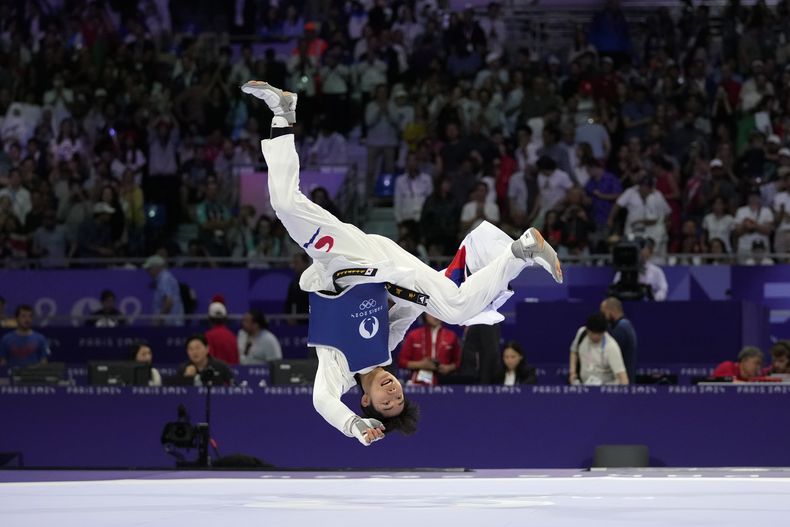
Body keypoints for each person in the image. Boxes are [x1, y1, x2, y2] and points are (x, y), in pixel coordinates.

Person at [241, 80, 562, 445]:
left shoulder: (338, 368)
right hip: (385, 269)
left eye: (386, 402)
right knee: (455, 309)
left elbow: (321, 401)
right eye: (399, 398)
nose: (393, 392)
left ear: (366, 401)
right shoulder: (387, 347)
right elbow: (410, 308)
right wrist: (443, 287)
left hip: (339, 261)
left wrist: (352, 426)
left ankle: (282, 112)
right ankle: (520, 251)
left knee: (284, 205)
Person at [397, 314, 462, 385]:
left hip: (445, 381)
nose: (435, 316)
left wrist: (448, 368)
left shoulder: (451, 336)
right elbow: (402, 361)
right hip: (418, 382)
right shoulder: (413, 335)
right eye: (432, 313)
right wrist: (421, 364)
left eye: (438, 313)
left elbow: (458, 362)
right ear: (425, 315)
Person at [569, 312, 628, 385]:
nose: (595, 337)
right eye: (592, 333)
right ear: (587, 330)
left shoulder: (611, 347)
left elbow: (623, 379)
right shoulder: (581, 333)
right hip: (583, 386)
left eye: (599, 334)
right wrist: (572, 373)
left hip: (603, 391)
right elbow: (574, 352)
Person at [600, 297, 638, 384]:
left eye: (603, 313)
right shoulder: (626, 325)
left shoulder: (621, 328)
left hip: (622, 382)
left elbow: (611, 356)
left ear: (611, 310)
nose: (603, 316)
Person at [0, 305, 50, 369]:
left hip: (33, 376)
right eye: (23, 316)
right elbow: (3, 361)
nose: (27, 319)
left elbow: (43, 361)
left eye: (30, 316)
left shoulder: (40, 338)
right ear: (16, 318)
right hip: (12, 376)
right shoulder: (6, 339)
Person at [143, 254, 185, 326]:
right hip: (169, 323)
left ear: (157, 267)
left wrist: (158, 321)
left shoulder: (164, 279)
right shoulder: (162, 279)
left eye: (149, 269)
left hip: (170, 325)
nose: (148, 272)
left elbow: (168, 302)